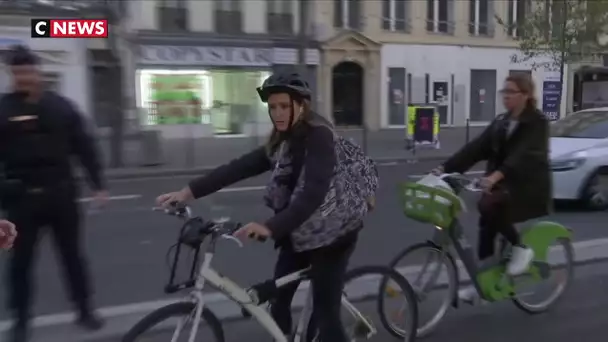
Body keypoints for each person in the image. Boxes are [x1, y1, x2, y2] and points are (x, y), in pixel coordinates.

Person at [157, 72, 363, 341]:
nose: (277, 113)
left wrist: (270, 227)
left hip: (334, 233)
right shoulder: (282, 139)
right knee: (279, 300)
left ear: (301, 106)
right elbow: (240, 168)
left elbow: (312, 194)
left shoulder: (319, 137)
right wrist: (188, 192)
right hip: (300, 229)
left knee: (327, 318)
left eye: (284, 106)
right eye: (273, 107)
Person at [0, 45, 108, 342]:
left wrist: (97, 184)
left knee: (72, 257)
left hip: (61, 196)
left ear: (38, 72)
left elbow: (84, 146)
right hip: (20, 199)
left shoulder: (61, 106)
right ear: (11, 74)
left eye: (28, 71)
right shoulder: (3, 109)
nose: (23, 78)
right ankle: (20, 321)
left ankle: (85, 311)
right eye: (17, 72)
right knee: (19, 264)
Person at [433, 74, 551, 302]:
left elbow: (524, 155)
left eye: (511, 92)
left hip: (526, 185)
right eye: (503, 92)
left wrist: (496, 175)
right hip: (501, 184)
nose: (505, 96)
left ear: (525, 95)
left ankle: (520, 248)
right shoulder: (501, 121)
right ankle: (481, 281)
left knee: (486, 204)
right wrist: (444, 168)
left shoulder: (538, 122)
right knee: (485, 226)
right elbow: (476, 148)